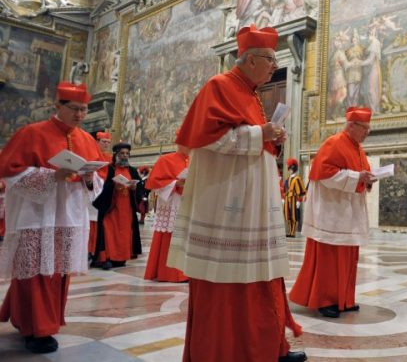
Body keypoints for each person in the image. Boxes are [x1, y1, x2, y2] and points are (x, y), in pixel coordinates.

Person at [167, 24, 304, 362]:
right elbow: (208, 139)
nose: (275, 66)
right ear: (249, 59)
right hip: (228, 203)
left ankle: (270, 347)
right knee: (230, 280)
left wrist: (268, 135)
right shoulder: (220, 86)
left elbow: (247, 136)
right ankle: (231, 352)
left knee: (261, 275)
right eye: (270, 60)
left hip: (253, 201)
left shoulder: (252, 94)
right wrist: (261, 134)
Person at [0, 82, 103, 354]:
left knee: (57, 273)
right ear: (58, 106)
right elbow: (10, 173)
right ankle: (37, 330)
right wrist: (51, 176)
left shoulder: (87, 139)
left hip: (69, 216)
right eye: (75, 109)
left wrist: (90, 178)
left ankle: (44, 321)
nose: (80, 115)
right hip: (37, 216)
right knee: (35, 273)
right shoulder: (32, 133)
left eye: (84, 110)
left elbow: (97, 182)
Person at [290, 107, 374, 319]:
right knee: (330, 259)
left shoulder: (358, 149)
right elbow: (325, 174)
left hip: (348, 214)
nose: (367, 133)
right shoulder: (334, 143)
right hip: (332, 213)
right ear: (352, 125)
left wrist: (367, 179)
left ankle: (344, 299)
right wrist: (357, 177)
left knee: (348, 258)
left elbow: (359, 174)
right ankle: (326, 300)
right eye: (365, 128)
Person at [91, 142, 144, 270]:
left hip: (127, 209)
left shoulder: (132, 171)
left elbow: (140, 188)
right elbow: (100, 186)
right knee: (109, 232)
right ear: (116, 155)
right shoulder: (109, 169)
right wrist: (113, 187)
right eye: (122, 153)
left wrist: (134, 188)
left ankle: (121, 257)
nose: (125, 156)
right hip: (111, 208)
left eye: (127, 154)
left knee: (125, 233)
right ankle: (107, 258)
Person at [143, 145, 190, 282]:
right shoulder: (166, 160)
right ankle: (169, 273)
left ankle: (186, 272)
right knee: (170, 234)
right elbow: (155, 182)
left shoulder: (195, 160)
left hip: (188, 201)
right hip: (172, 201)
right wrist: (176, 183)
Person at [88, 131, 113, 258]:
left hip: (105, 193)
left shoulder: (110, 158)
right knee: (90, 221)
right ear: (97, 142)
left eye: (108, 143)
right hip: (91, 192)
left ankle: (97, 250)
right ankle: (88, 249)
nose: (106, 145)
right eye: (104, 142)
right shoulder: (91, 154)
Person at [283, 157, 306, 237]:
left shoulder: (297, 179)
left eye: (290, 168)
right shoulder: (288, 178)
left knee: (294, 216)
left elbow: (301, 191)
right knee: (288, 215)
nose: (289, 170)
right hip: (287, 199)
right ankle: (290, 231)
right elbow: (285, 189)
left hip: (294, 199)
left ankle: (293, 232)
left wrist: (299, 200)